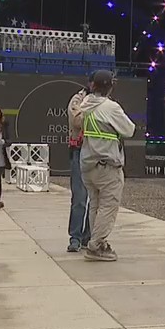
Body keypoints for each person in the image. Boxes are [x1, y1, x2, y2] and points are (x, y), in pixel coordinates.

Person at [71, 70, 135, 262]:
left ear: (93, 86)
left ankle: (96, 240)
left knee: (95, 205)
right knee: (108, 206)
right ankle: (96, 245)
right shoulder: (110, 107)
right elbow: (129, 129)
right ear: (110, 86)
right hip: (106, 164)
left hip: (88, 163)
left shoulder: (85, 104)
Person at [65, 83, 91, 252]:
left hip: (99, 153)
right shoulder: (77, 99)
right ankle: (75, 237)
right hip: (79, 151)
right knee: (80, 198)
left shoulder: (106, 102)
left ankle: (88, 237)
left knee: (96, 201)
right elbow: (76, 120)